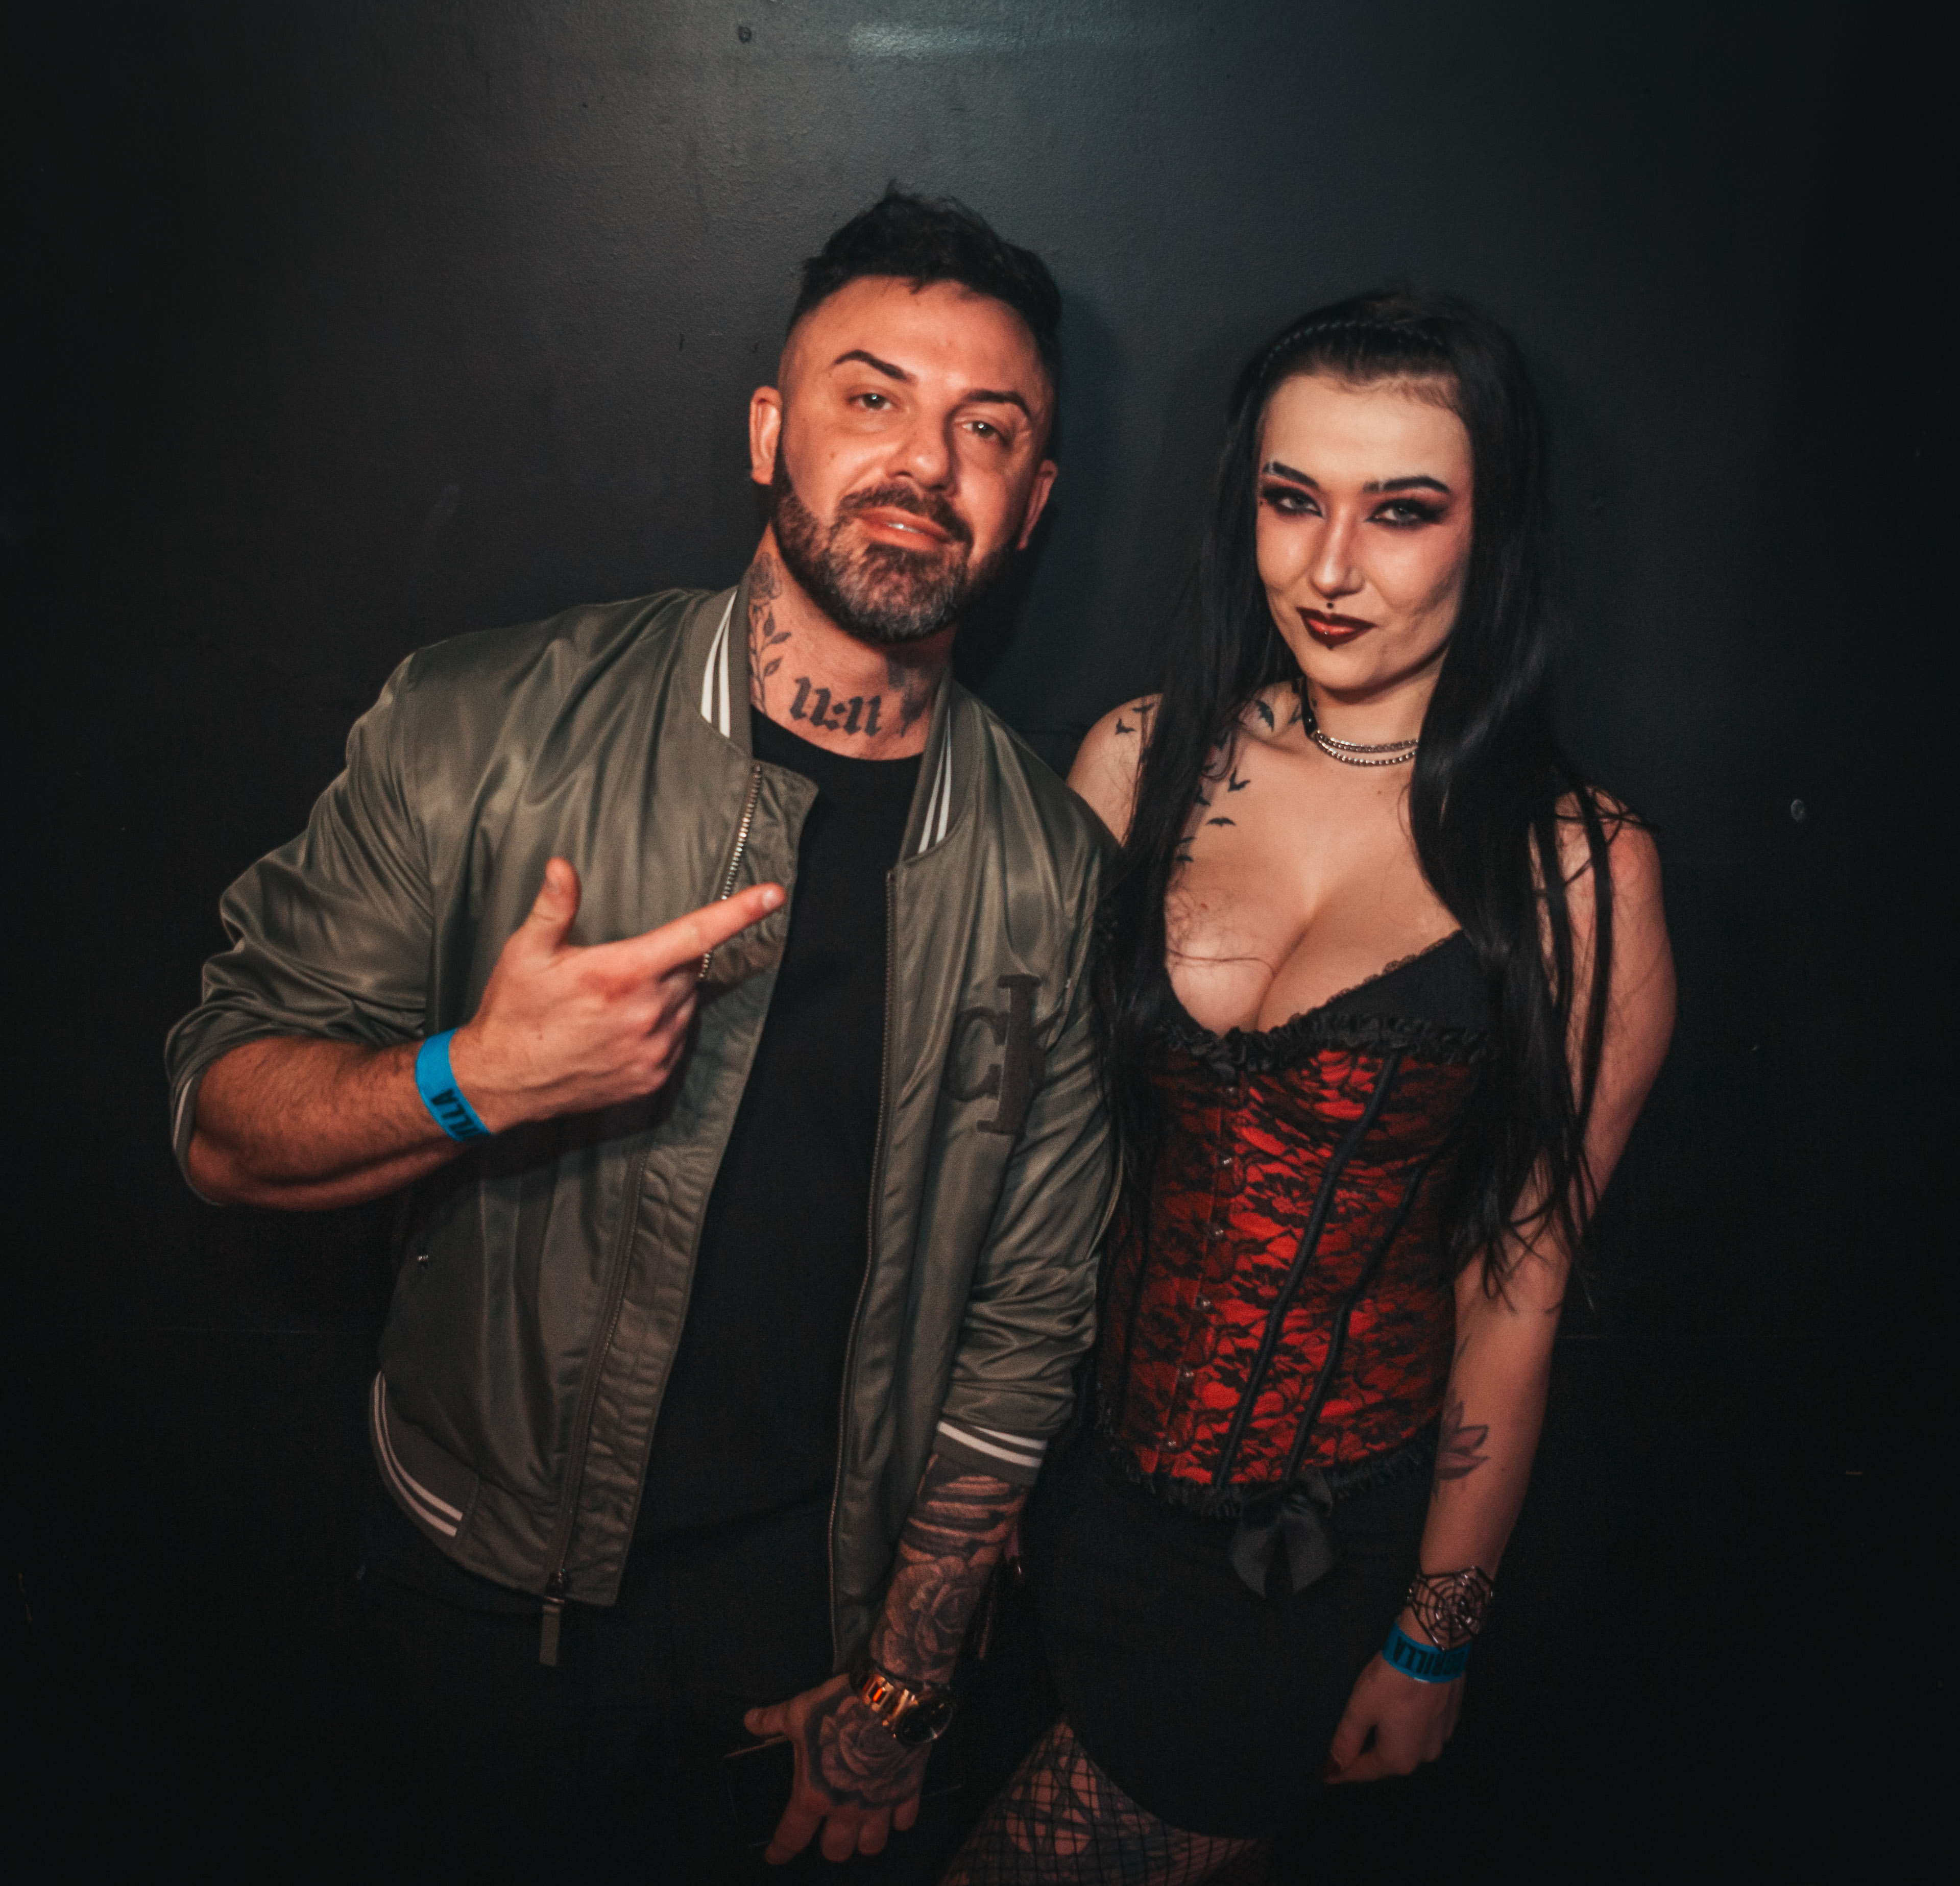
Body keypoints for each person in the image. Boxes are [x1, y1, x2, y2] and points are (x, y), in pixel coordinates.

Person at [163, 190, 1112, 1875]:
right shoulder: (477, 727)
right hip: (473, 1603)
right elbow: (224, 1128)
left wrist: (904, 1686)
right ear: (768, 431)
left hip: (805, 1646)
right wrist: (474, 1081)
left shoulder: (1052, 872)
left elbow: (1025, 1323)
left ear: (1034, 501)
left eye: (988, 428)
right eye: (871, 396)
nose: (922, 460)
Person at [946, 291, 1676, 1881]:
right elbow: (1025, 1165)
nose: (1331, 568)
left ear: (1493, 530)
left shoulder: (1576, 872)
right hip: (1053, 1498)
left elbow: (1519, 1288)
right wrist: (968, 1480)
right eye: (1294, 500)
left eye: (1401, 512)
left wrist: (1436, 1631)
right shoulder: (1139, 761)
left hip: (1296, 1567)